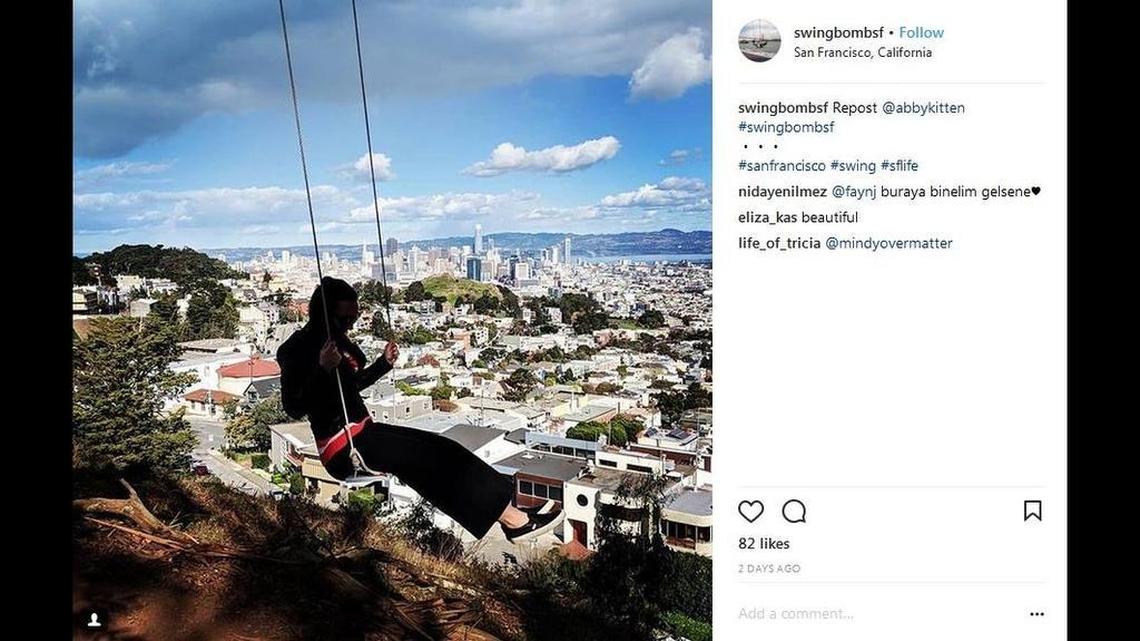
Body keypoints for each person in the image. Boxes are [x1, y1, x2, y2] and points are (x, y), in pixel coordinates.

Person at [277, 277, 562, 543]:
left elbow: (348, 386)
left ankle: (513, 509)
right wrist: (321, 368)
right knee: (433, 460)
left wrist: (383, 365)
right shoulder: (297, 349)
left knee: (445, 450)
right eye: (344, 318)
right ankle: (515, 521)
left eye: (354, 317)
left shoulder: (339, 342)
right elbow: (293, 406)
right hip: (343, 448)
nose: (350, 324)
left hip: (365, 432)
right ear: (324, 314)